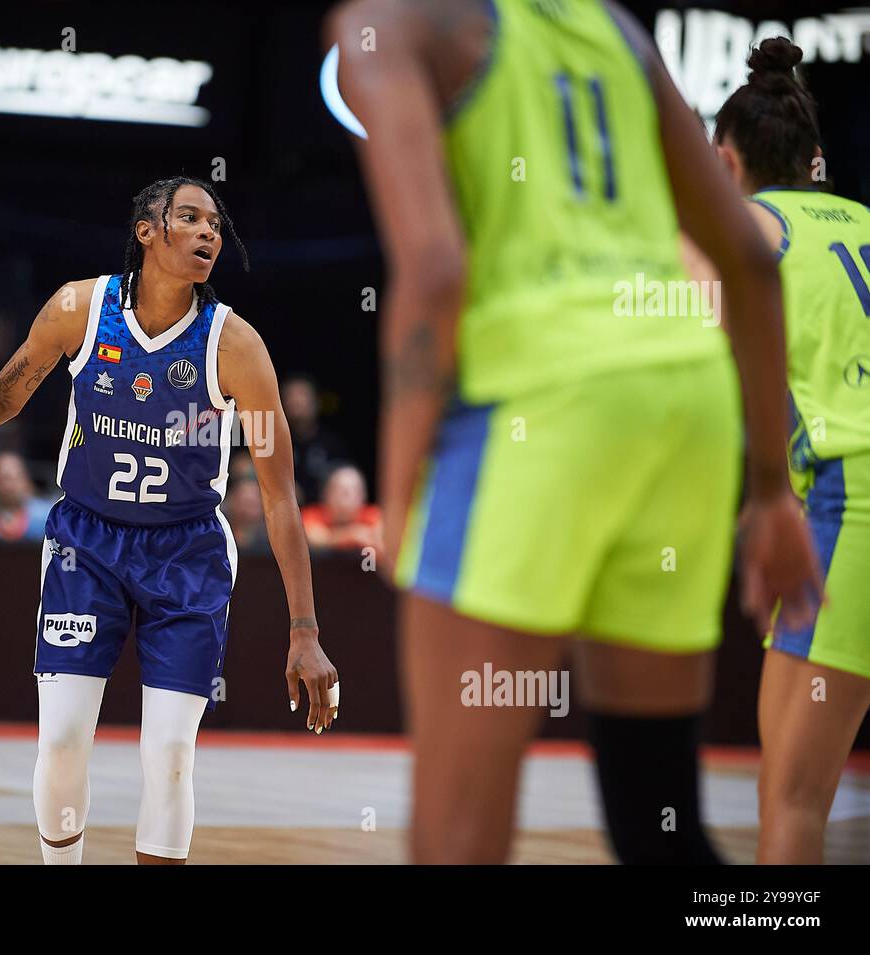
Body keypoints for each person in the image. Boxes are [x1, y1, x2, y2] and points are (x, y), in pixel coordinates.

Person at [329, 0, 822, 863]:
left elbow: (436, 272)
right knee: (656, 820)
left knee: (455, 843)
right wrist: (771, 491)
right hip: (684, 401)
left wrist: (401, 492)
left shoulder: (387, 23)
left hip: (535, 404)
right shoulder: (614, 29)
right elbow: (746, 259)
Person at [0, 176, 339, 865]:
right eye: (189, 218)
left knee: (169, 753)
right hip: (87, 544)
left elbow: (280, 497)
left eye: (216, 225)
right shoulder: (80, 306)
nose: (208, 233)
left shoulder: (237, 348)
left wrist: (305, 630)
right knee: (64, 740)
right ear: (146, 230)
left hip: (187, 552)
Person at [710, 37, 870, 864]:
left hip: (854, 505)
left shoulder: (745, 226)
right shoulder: (865, 224)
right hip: (835, 503)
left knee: (795, 800)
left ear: (726, 161)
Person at [301, 463, 382, 552]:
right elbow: (314, 538)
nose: (347, 498)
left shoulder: (372, 515)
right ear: (326, 494)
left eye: (354, 491)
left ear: (363, 495)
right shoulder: (312, 514)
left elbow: (382, 539)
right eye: (341, 491)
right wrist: (352, 535)